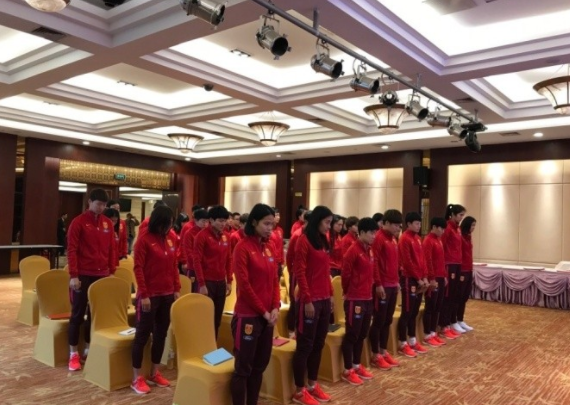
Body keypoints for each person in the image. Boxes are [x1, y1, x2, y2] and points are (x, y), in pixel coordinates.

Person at [230, 204, 281, 405]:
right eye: (266, 224)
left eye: (272, 224)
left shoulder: (270, 247)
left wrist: (275, 307)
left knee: (259, 367)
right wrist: (264, 312)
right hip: (248, 316)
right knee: (243, 368)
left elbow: (274, 280)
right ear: (254, 222)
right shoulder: (242, 248)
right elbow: (244, 286)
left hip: (267, 316)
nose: (270, 228)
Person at [130, 205, 181, 395]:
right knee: (142, 336)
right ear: (158, 222)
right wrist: (143, 294)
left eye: (171, 224)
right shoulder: (144, 240)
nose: (169, 228)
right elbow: (138, 268)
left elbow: (174, 265)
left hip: (167, 294)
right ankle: (136, 377)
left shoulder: (171, 238)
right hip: (149, 296)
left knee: (161, 334)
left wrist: (176, 288)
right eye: (166, 224)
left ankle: (154, 372)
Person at [66, 188, 116, 371]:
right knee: (78, 313)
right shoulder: (78, 222)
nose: (101, 207)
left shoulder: (107, 223)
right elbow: (71, 249)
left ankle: (88, 348)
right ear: (90, 202)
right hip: (83, 274)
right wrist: (74, 275)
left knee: (95, 314)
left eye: (104, 205)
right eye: (98, 204)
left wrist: (112, 271)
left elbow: (112, 249)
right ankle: (73, 354)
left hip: (101, 274)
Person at [292, 205, 334, 405]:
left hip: (324, 298)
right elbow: (299, 272)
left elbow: (326, 271)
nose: (329, 226)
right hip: (310, 301)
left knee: (319, 343)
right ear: (317, 220)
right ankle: (299, 390)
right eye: (327, 222)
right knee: (305, 345)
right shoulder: (303, 240)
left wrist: (331, 294)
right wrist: (307, 300)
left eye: (330, 223)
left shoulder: (323, 240)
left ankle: (312, 384)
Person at [340, 217, 380, 386]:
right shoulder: (353, 250)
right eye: (371, 233)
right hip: (354, 298)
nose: (374, 236)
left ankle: (356, 365)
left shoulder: (369, 250)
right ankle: (347, 369)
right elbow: (345, 275)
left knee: (362, 334)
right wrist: (348, 292)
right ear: (362, 232)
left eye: (375, 233)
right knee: (352, 334)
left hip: (367, 298)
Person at [369, 209, 402, 370]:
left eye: (399, 225)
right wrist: (378, 284)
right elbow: (374, 262)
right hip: (382, 286)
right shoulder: (379, 238)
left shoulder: (393, 239)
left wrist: (397, 281)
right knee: (379, 320)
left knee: (388, 320)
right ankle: (375, 354)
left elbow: (395, 263)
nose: (398, 228)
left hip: (392, 285)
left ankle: (383, 350)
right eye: (395, 225)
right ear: (386, 223)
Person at [193, 205, 233, 339]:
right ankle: (202, 345)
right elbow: (197, 261)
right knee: (205, 318)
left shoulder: (226, 237)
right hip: (207, 282)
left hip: (221, 282)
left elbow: (229, 259)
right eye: (220, 221)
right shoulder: (202, 236)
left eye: (225, 221)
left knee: (217, 319)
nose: (223, 224)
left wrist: (229, 280)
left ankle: (213, 345)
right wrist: (202, 284)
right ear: (211, 220)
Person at [397, 212, 429, 358]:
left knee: (414, 311)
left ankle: (412, 340)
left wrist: (425, 277)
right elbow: (407, 262)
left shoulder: (417, 238)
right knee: (407, 312)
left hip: (419, 279)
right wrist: (418, 278)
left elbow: (422, 260)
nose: (419, 226)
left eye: (420, 223)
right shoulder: (404, 238)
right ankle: (402, 343)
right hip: (409, 279)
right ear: (408, 224)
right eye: (416, 223)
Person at [439, 204, 467, 338]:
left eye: (463, 215)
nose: (462, 218)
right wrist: (443, 269)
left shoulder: (458, 229)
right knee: (448, 296)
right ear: (453, 215)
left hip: (457, 264)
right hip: (449, 265)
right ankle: (444, 325)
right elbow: (442, 247)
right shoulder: (448, 228)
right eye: (460, 215)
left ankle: (450, 323)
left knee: (454, 295)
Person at [422, 217, 448, 347]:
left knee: (438, 306)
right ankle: (427, 334)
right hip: (433, 278)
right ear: (434, 227)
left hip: (440, 277)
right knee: (430, 306)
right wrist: (431, 278)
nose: (443, 231)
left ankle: (433, 332)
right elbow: (428, 261)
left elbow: (441, 260)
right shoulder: (428, 240)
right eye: (441, 228)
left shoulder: (439, 240)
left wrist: (444, 275)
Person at [285, 210, 311, 339]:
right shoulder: (297, 235)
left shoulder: (315, 236)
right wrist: (292, 272)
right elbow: (289, 256)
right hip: (297, 272)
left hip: (309, 274)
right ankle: (291, 330)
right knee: (295, 301)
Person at [181, 208, 209, 293]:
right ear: (196, 220)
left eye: (207, 221)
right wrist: (197, 263)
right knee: (193, 292)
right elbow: (189, 252)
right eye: (203, 221)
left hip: (205, 269)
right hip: (193, 268)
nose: (205, 224)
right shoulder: (189, 233)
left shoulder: (207, 233)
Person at [457, 216, 477, 332]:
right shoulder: (460, 236)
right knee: (459, 296)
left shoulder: (469, 237)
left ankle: (460, 319)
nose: (473, 228)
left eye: (474, 225)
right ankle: (455, 320)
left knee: (465, 296)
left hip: (469, 269)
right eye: (472, 225)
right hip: (462, 270)